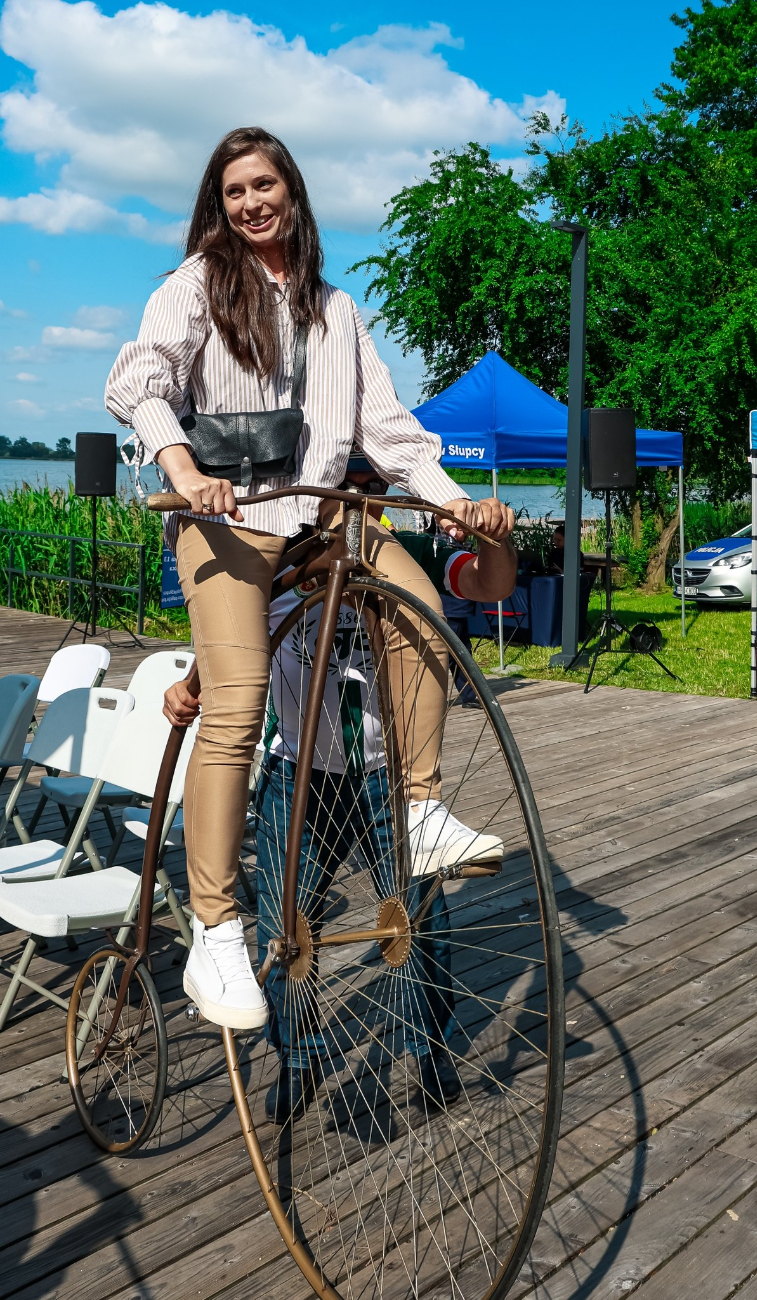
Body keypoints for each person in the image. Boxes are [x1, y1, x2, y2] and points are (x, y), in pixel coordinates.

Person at [105, 124, 509, 1033]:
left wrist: (450, 503)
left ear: (292, 190)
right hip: (225, 519)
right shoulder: (196, 287)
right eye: (234, 191)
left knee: (418, 604)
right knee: (238, 702)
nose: (252, 203)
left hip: (320, 517)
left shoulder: (338, 310)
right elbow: (140, 383)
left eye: (265, 185)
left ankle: (421, 807)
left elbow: (389, 430)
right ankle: (216, 930)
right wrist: (182, 470)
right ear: (219, 205)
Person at [164, 453, 518, 1118]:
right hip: (298, 777)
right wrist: (188, 687)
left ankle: (429, 1050)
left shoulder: (401, 560)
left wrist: (496, 536)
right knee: (284, 929)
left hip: (385, 781)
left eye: (371, 486)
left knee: (421, 923)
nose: (357, 500)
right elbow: (230, 643)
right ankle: (299, 1059)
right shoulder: (276, 565)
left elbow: (486, 584)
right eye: (343, 486)